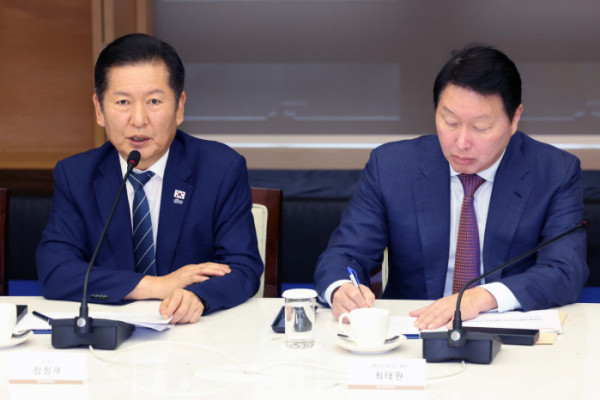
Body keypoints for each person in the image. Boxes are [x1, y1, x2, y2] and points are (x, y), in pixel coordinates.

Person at [314, 44, 588, 330]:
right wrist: (341, 287)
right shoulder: (392, 167)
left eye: (480, 127)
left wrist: (481, 297)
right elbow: (344, 255)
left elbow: (565, 271)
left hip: (506, 331)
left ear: (515, 118)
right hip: (414, 329)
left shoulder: (554, 172)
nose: (461, 142)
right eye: (450, 121)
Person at [36, 33, 263, 324]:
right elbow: (55, 271)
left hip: (192, 335)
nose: (139, 119)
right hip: (110, 334)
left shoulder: (220, 169)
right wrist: (156, 286)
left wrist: (197, 297)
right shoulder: (76, 175)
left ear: (179, 107)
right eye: (123, 102)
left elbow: (243, 268)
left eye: (154, 101)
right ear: (99, 109)